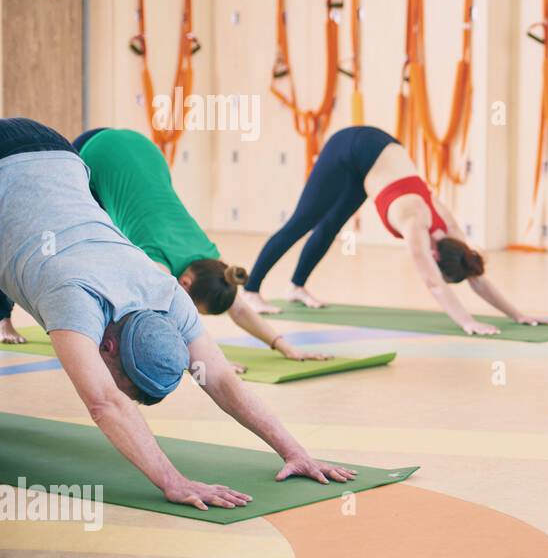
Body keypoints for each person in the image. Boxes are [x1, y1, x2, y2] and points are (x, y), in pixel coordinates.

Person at [0, 118, 354, 510]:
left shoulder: (167, 292)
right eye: (124, 385)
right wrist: (174, 482)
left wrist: (294, 451)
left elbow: (219, 378)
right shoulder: (72, 294)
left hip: (59, 150)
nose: (121, 395)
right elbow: (103, 402)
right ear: (110, 345)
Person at [12, 126, 330, 373]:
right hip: (95, 153)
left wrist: (284, 346)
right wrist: (208, 363)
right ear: (185, 284)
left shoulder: (212, 262)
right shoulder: (159, 263)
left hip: (143, 149)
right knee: (44, 230)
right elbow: (159, 316)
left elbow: (239, 306)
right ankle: (3, 319)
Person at [241, 125, 548, 336]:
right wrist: (467, 322)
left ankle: (296, 287)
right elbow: (434, 284)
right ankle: (252, 289)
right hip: (350, 145)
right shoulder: (414, 222)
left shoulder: (452, 232)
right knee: (302, 222)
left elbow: (475, 274)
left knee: (330, 226)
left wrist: (517, 314)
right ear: (434, 255)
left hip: (376, 156)